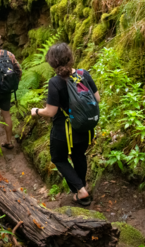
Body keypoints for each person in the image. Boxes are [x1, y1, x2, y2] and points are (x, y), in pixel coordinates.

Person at [31, 43, 100, 207]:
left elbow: (51, 112)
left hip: (65, 131)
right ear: (70, 57)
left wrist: (36, 111)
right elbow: (97, 99)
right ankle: (82, 192)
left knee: (58, 158)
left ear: (52, 62)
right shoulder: (83, 74)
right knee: (79, 156)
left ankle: (80, 190)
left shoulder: (55, 82)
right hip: (84, 128)